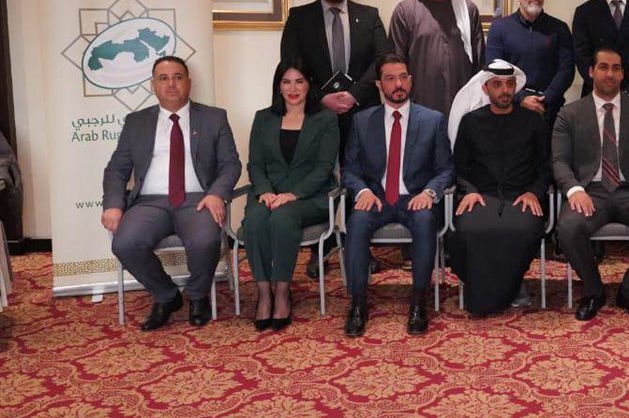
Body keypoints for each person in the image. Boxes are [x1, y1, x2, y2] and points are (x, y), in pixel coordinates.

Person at [101, 56, 241, 331]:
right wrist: (113, 204)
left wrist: (216, 193)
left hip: (198, 199)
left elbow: (231, 164)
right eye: (163, 78)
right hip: (149, 202)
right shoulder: (136, 122)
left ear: (189, 82)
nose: (171, 84)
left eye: (178, 77)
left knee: (205, 241)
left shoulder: (214, 118)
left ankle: (198, 296)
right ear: (153, 84)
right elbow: (117, 168)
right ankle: (167, 296)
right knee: (125, 243)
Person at [552, 48, 629, 322]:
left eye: (616, 68)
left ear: (622, 74)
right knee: (569, 227)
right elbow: (559, 161)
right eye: (604, 67)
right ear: (591, 71)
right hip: (590, 192)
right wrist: (574, 190)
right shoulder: (569, 114)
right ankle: (593, 290)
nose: (610, 74)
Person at [341, 53, 454, 337]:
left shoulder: (433, 120)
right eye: (390, 79)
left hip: (414, 197)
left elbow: (446, 169)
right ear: (379, 85)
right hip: (377, 198)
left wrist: (430, 192)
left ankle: (418, 301)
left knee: (426, 220)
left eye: (403, 77)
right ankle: (357, 304)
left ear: (411, 81)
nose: (398, 84)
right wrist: (363, 191)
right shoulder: (362, 121)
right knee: (356, 222)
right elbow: (349, 170)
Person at [241, 59, 339, 331]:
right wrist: (264, 191)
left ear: (309, 85)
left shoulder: (325, 119)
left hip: (311, 197)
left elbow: (324, 168)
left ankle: (283, 291)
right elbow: (255, 164)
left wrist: (293, 194)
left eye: (299, 81)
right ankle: (264, 292)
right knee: (255, 221)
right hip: (268, 194)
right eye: (286, 82)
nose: (293, 89)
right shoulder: (264, 117)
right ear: (278, 86)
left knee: (283, 218)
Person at [446, 60, 549, 315]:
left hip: (521, 196)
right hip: (482, 195)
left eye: (510, 84)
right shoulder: (470, 122)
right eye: (498, 85)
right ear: (486, 89)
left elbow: (545, 167)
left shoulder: (533, 121)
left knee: (522, 228)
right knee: (469, 229)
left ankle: (513, 282)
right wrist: (469, 190)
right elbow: (459, 167)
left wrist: (533, 192)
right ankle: (493, 288)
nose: (505, 90)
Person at [279, 0, 391, 148]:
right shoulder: (299, 18)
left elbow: (382, 60)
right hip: (316, 113)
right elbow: (290, 65)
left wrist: (354, 95)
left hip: (363, 111)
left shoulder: (369, 15)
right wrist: (322, 98)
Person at [389, 0, 485, 116]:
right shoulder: (405, 12)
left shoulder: (468, 11)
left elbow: (479, 64)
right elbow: (396, 65)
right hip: (420, 109)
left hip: (464, 108)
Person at [485, 0, 574, 129]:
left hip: (550, 110)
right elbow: (494, 70)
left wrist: (544, 99)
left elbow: (566, 69)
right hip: (511, 109)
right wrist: (521, 98)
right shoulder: (499, 28)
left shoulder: (559, 28)